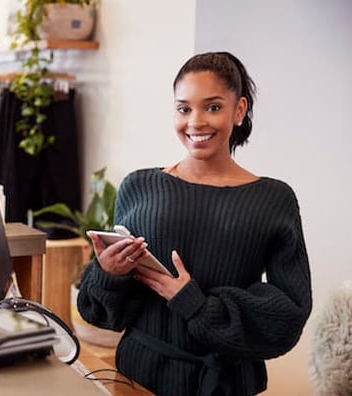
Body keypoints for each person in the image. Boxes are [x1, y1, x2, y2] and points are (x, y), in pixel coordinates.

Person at [78, 51, 312, 395]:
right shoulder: (139, 186)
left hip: (225, 386)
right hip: (137, 378)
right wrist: (109, 274)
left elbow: (289, 314)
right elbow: (103, 314)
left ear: (240, 110)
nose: (196, 122)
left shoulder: (274, 199)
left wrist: (197, 304)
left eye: (213, 107)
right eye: (184, 108)